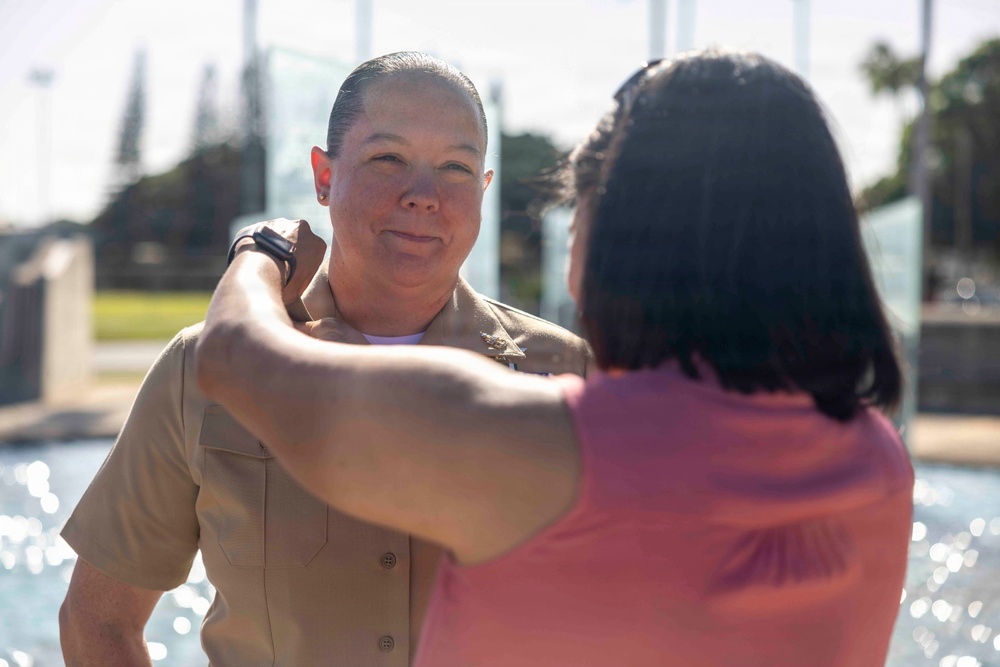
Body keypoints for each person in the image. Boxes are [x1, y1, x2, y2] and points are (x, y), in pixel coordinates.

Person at [196, 50, 915, 667]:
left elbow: (234, 353)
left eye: (578, 203)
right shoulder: (878, 465)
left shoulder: (534, 446)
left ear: (616, 231)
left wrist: (262, 253)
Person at [59, 52, 590, 666]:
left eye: (456, 168)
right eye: (388, 159)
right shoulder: (199, 370)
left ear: (485, 191)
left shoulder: (564, 371)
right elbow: (99, 620)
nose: (423, 195)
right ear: (323, 176)